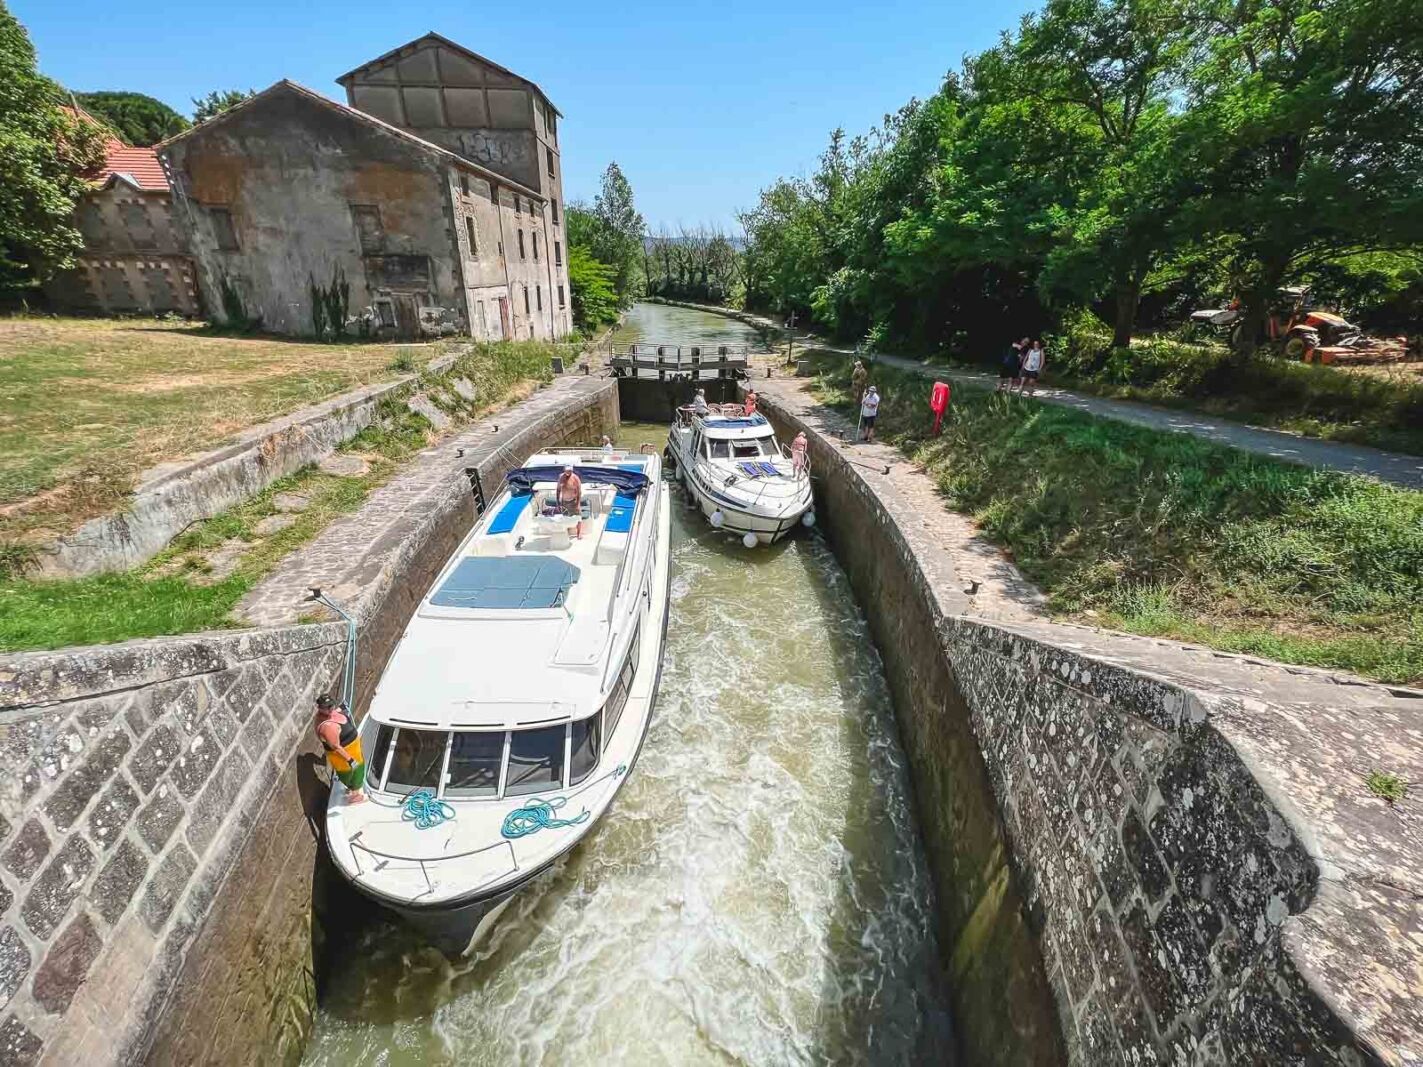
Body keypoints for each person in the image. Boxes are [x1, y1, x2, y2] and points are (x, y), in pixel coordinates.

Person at [315, 694, 367, 803]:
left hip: (353, 749)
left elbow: (334, 712)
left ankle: (353, 790)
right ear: (320, 708)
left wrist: (341, 707)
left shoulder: (329, 713)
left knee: (358, 770)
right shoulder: (327, 727)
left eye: (331, 705)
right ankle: (355, 796)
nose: (331, 708)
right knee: (354, 773)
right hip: (346, 755)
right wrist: (350, 760)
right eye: (327, 707)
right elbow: (336, 747)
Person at [556, 465, 583, 537]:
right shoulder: (561, 477)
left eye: (569, 471)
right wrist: (558, 502)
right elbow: (558, 490)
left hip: (573, 501)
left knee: (578, 517)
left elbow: (579, 492)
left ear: (572, 470)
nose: (568, 472)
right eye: (566, 471)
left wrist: (578, 504)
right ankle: (566, 531)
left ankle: (579, 533)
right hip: (564, 501)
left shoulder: (575, 478)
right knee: (565, 517)